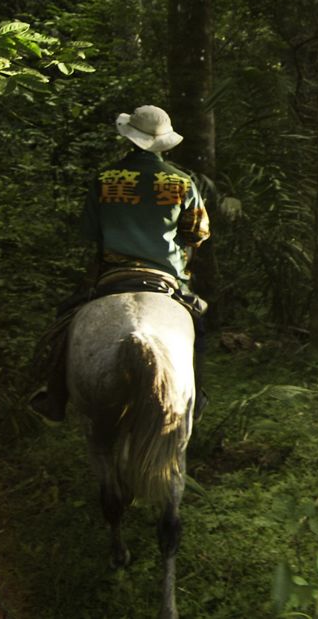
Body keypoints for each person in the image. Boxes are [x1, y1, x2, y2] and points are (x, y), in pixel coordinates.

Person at [30, 104, 211, 422]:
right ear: (164, 143)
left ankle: (54, 396)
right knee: (197, 326)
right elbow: (198, 234)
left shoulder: (105, 179)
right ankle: (195, 396)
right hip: (164, 276)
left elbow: (89, 232)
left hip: (111, 273)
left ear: (129, 138)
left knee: (66, 320)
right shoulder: (182, 183)